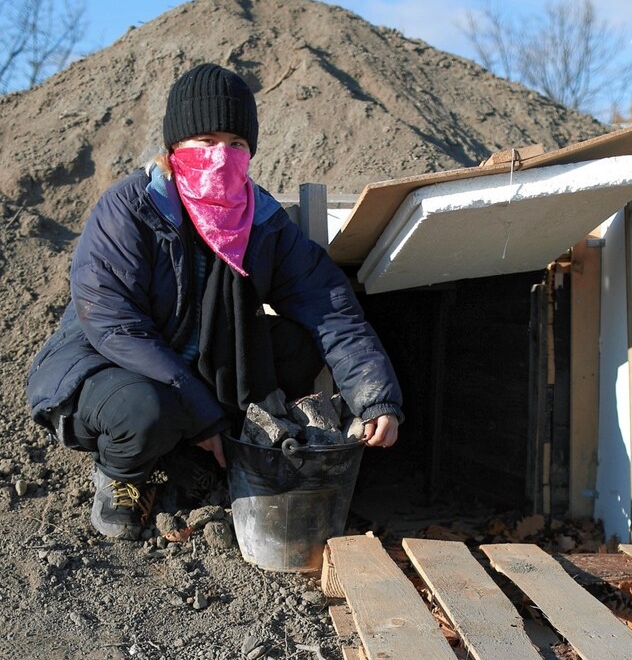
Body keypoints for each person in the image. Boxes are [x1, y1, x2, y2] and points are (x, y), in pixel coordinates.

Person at [27, 63, 402, 540]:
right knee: (145, 411)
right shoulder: (128, 209)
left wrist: (375, 397)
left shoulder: (261, 221)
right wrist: (201, 411)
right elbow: (114, 325)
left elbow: (330, 307)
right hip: (108, 366)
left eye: (237, 143)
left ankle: (194, 463)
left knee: (295, 342)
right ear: (173, 147)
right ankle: (123, 475)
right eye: (205, 141)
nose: (222, 155)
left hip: (200, 363)